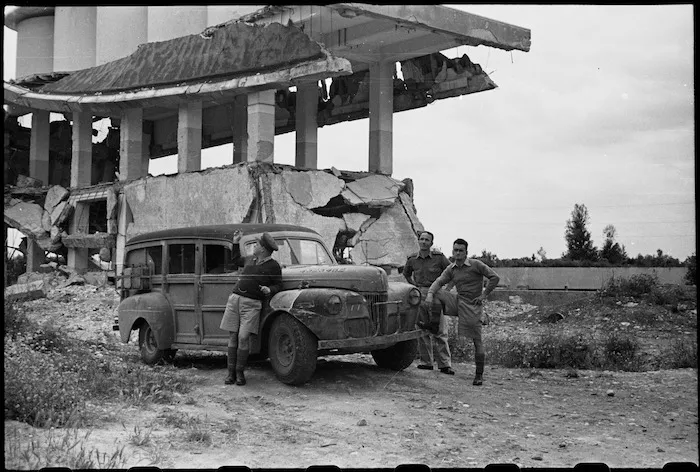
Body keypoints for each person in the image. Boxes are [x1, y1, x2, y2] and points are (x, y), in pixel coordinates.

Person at [426, 238, 499, 386]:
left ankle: (479, 375)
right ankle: (433, 325)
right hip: (458, 301)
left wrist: (484, 295)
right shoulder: (451, 268)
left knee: (476, 340)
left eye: (461, 250)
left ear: (466, 252)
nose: (457, 253)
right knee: (436, 294)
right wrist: (429, 294)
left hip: (473, 305)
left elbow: (494, 277)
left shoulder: (476, 264)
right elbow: (439, 282)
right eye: (455, 250)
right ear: (452, 251)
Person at [220, 231, 282, 386]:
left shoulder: (273, 266)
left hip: (252, 304)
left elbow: (278, 285)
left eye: (257, 244)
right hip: (234, 300)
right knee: (233, 336)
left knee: (243, 337)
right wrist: (235, 242)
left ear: (263, 249)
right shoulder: (250, 259)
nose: (254, 246)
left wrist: (270, 290)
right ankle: (230, 373)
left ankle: (240, 373)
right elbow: (235, 260)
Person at [403, 231, 455, 375]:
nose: (424, 242)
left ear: (431, 243)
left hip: (436, 295)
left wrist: (447, 288)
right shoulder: (413, 259)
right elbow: (406, 274)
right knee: (422, 329)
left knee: (440, 330)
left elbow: (453, 272)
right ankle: (427, 362)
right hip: (420, 296)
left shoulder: (439, 258)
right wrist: (414, 287)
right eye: (422, 239)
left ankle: (445, 364)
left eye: (427, 240)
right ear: (418, 241)